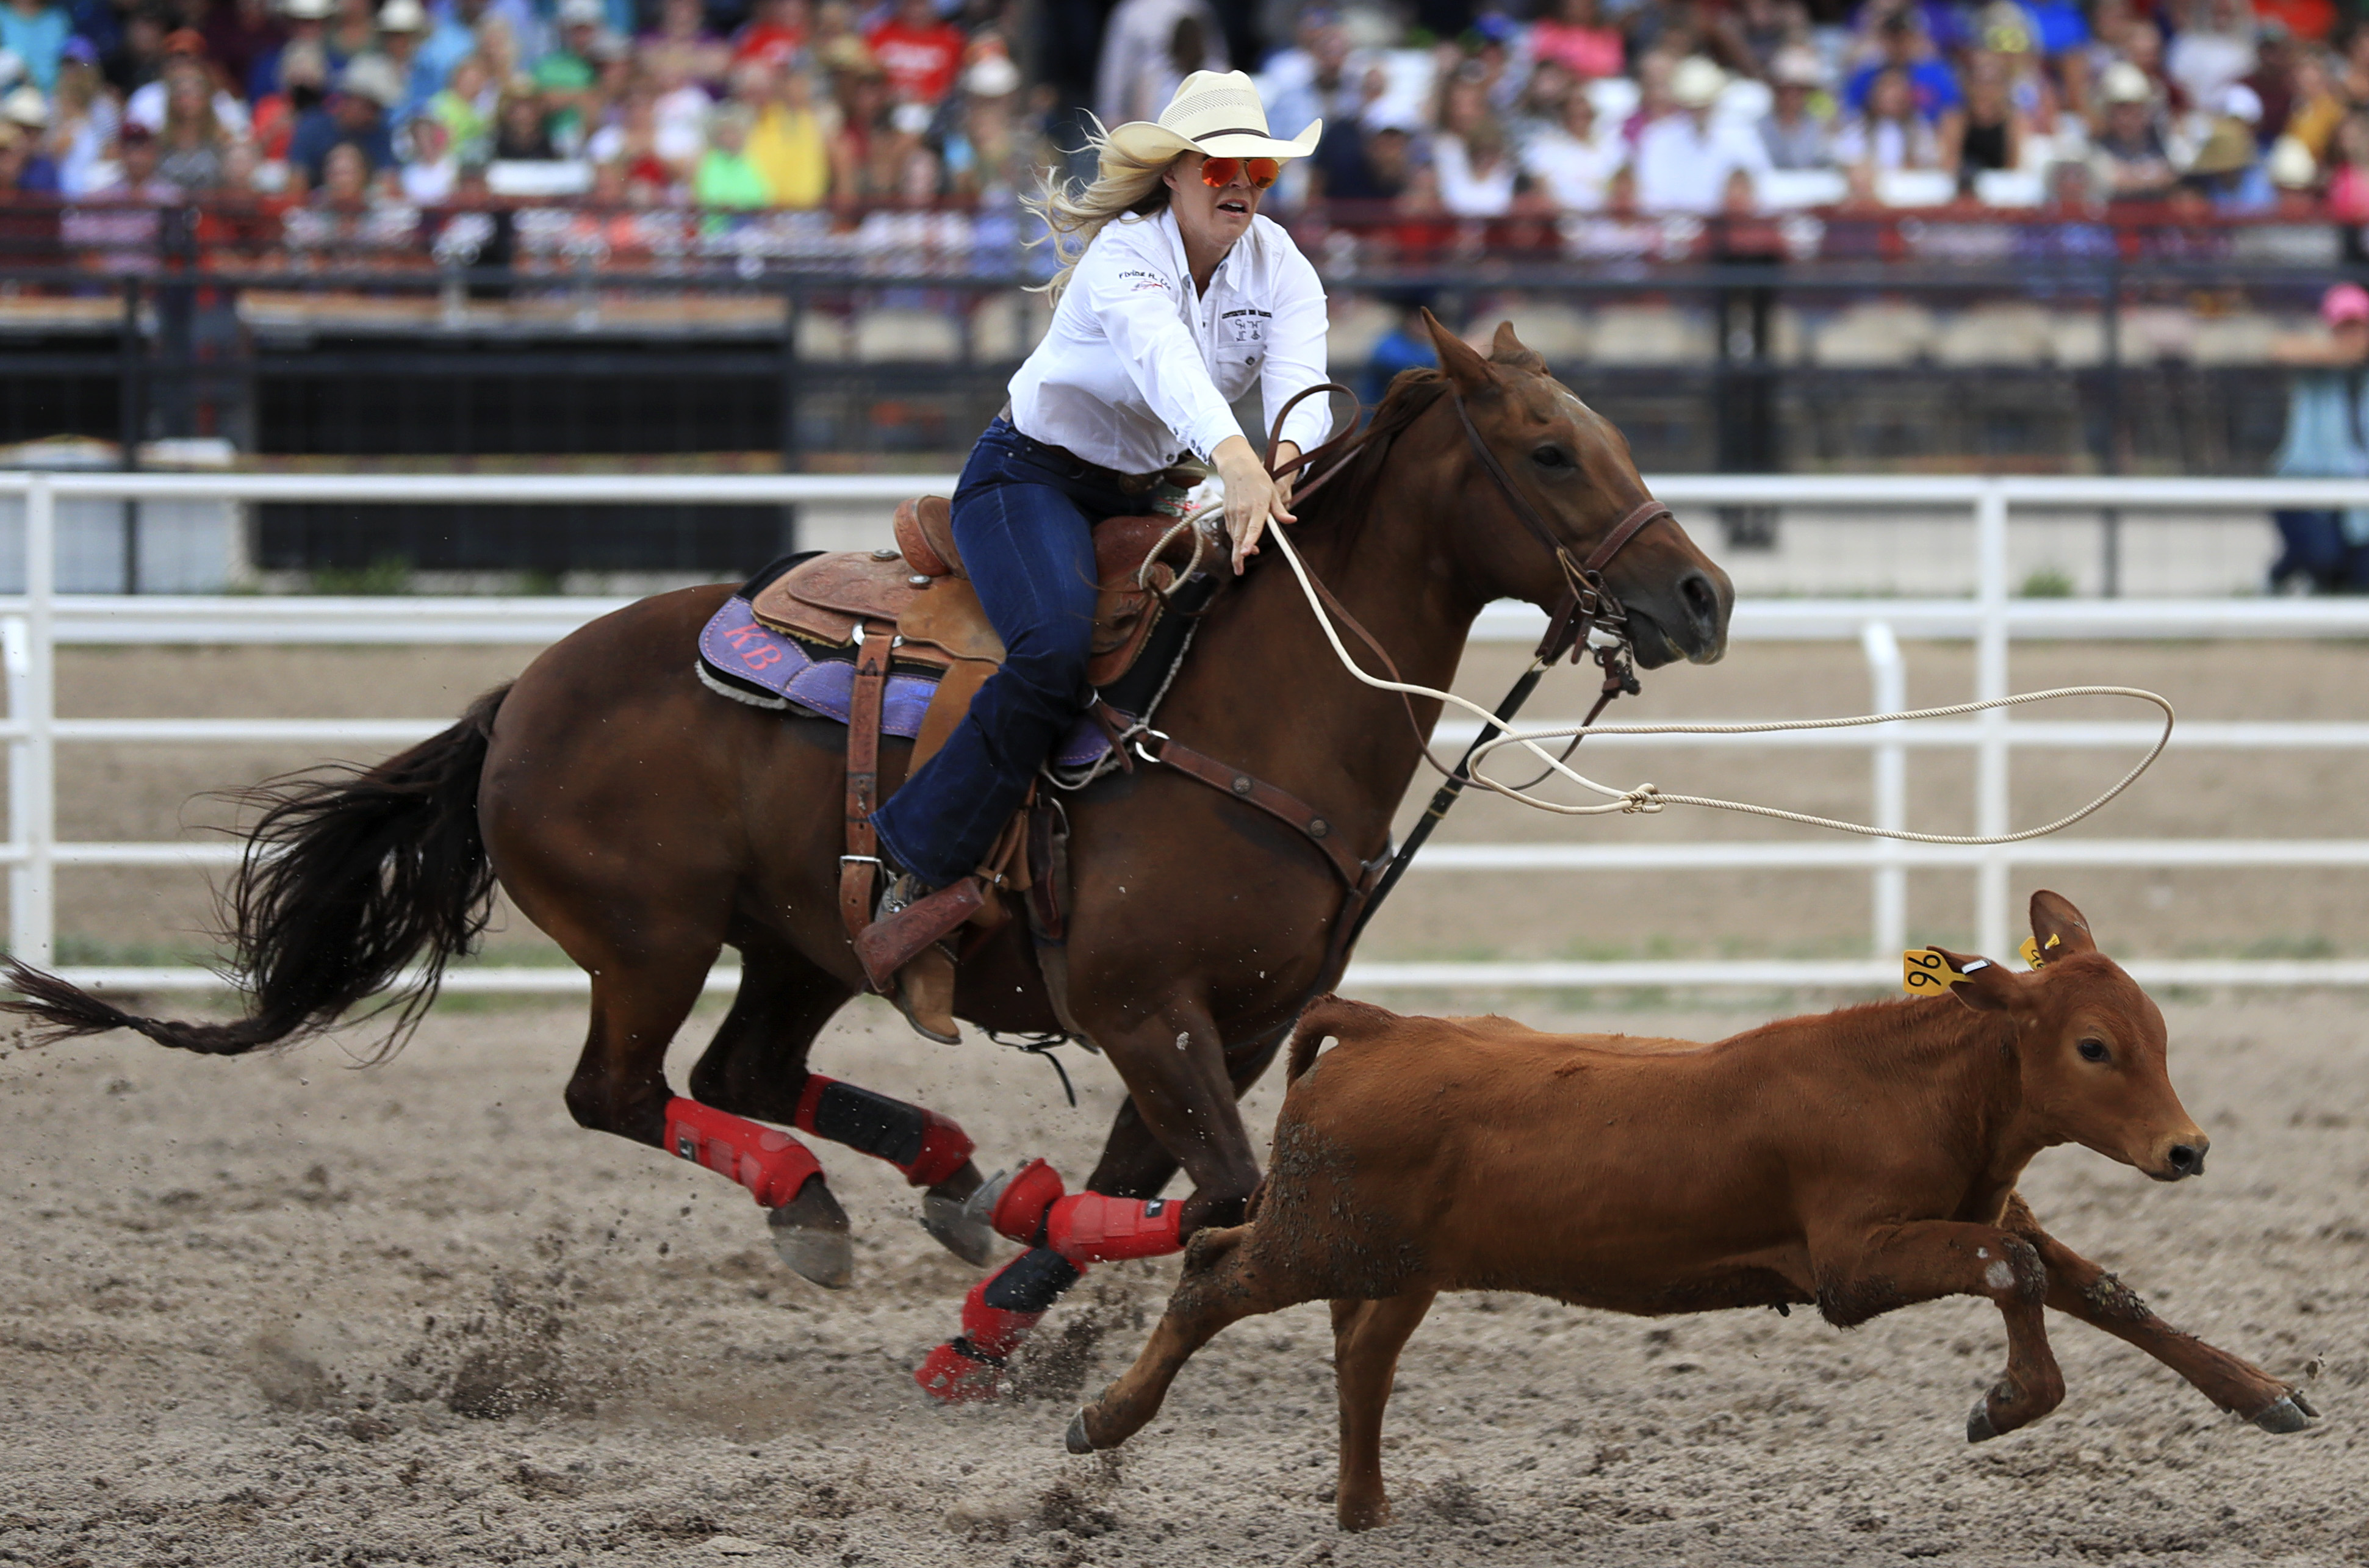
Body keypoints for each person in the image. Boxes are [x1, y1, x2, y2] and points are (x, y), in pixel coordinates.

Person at [859, 70, 1331, 1040]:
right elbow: (1168, 369)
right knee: (1050, 647)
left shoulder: (1277, 264)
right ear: (1178, 175)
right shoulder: (1127, 255)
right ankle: (916, 864)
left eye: (1261, 171)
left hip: (1147, 489)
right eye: (1226, 167)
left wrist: (1283, 462)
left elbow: (1305, 388)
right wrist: (1238, 460)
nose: (1245, 184)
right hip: (1028, 479)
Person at [2268, 282, 2369, 591]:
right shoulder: (2316, 367)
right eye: (2344, 327)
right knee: (2323, 556)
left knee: (2358, 579)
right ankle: (2282, 576)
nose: (2351, 335)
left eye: (2358, 326)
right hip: (2304, 483)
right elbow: (2280, 348)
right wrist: (2344, 355)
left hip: (2355, 493)